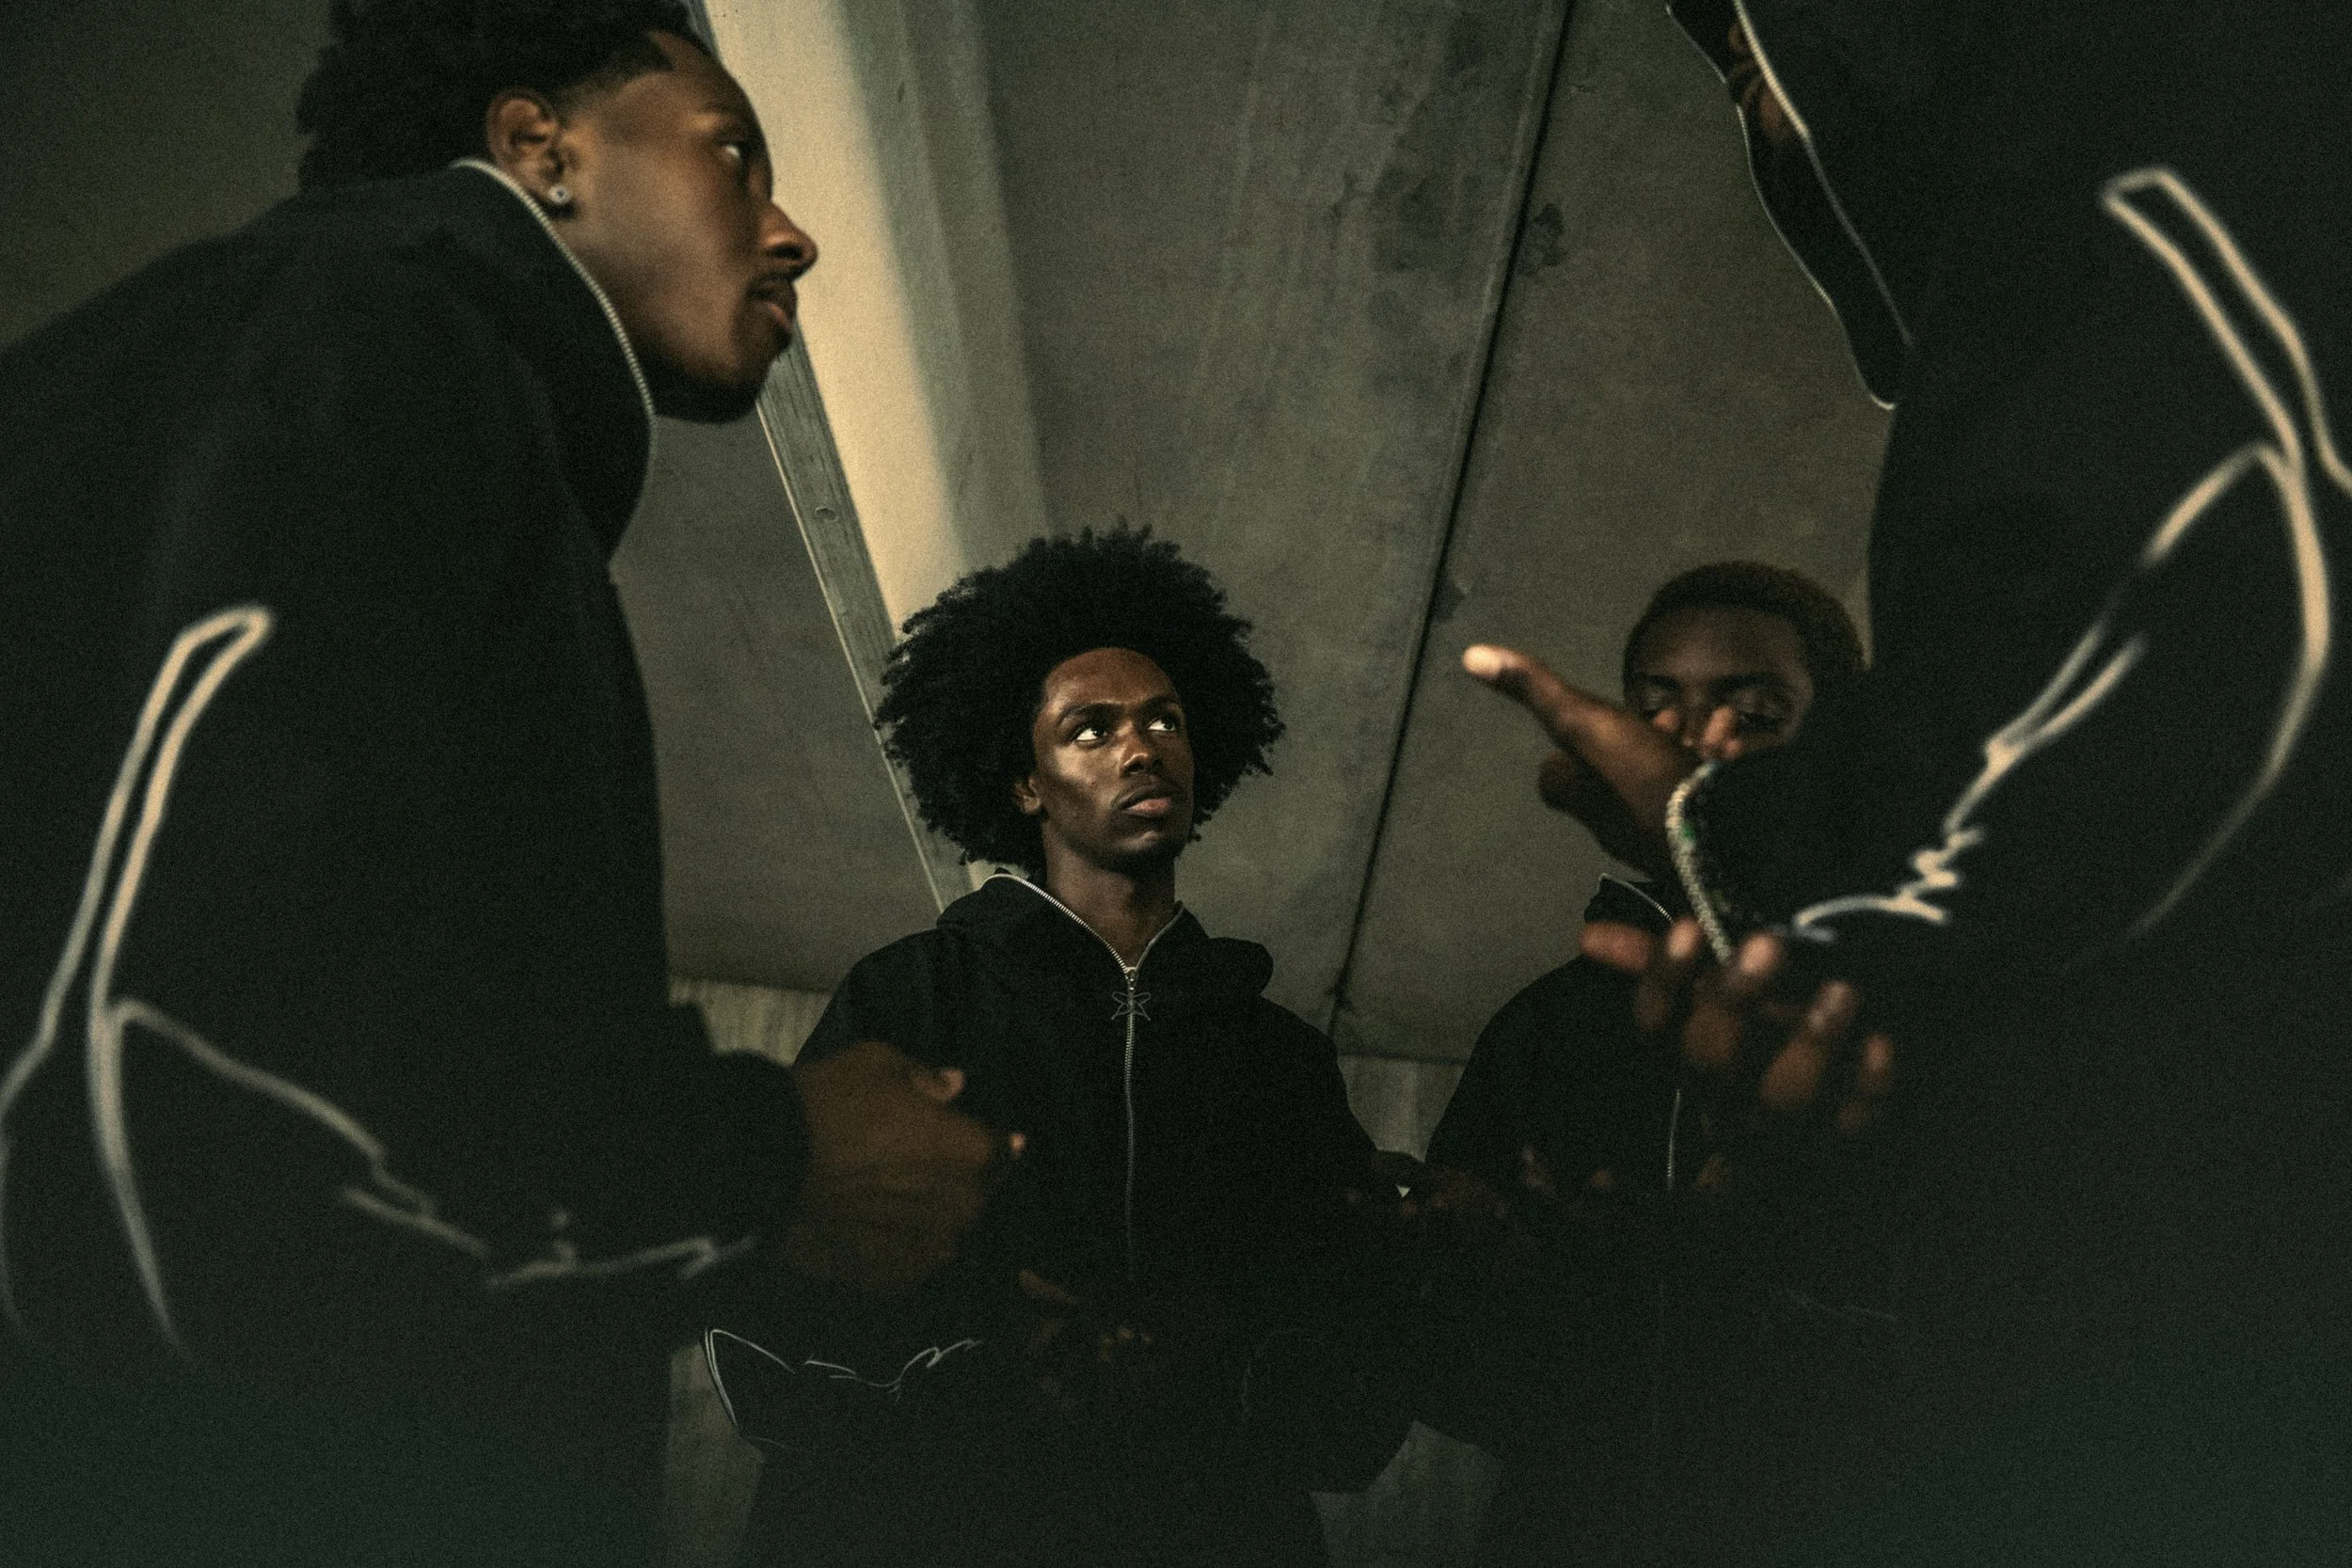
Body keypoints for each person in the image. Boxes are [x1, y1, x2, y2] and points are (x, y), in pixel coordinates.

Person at [0, 5, 1009, 1564]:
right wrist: (768, 1162)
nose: (793, 233)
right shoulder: (387, 343)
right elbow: (196, 1111)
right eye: (737, 153)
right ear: (541, 148)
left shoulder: (322, 354)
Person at [1464, 1, 2352, 1560]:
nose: (1767, 125)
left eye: (1754, 61)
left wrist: (1711, 823)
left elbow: (2157, 669)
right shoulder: (1559, 1022)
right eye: (1671, 709)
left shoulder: (2133, 177)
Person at [711, 528, 1415, 1568]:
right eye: (1091, 729)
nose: (1142, 747)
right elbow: (785, 1271)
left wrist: (1212, 1332)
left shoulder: (1274, 1052)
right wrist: (993, 1350)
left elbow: (1346, 1337)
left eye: (1165, 719)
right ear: (1026, 783)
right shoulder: (913, 992)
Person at [1422, 562, 1865, 1567]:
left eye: (1754, 710)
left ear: (1836, 738)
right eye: (1656, 706)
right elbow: (1452, 1362)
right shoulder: (1543, 1024)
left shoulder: (1913, 995)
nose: (1697, 742)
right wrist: (1525, 1283)